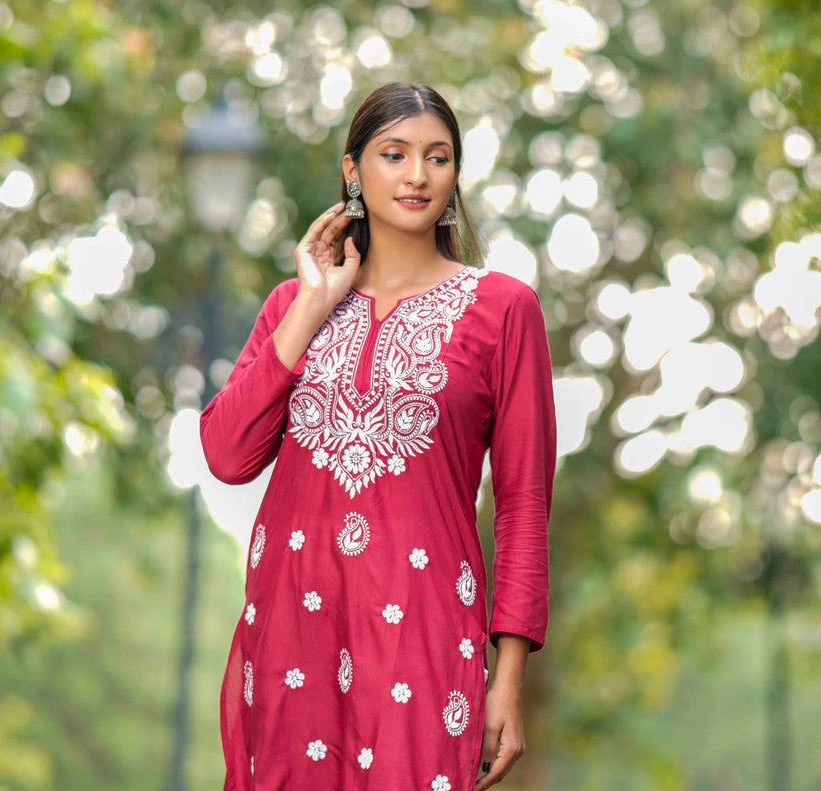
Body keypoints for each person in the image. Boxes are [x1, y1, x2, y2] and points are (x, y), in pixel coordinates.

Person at [200, 81, 556, 791]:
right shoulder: (290, 306)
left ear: (456, 175)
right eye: (393, 154)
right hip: (291, 632)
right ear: (351, 171)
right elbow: (228, 454)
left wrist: (506, 680)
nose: (417, 174)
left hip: (421, 635)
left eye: (437, 157)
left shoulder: (503, 310)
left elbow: (522, 507)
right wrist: (311, 304)